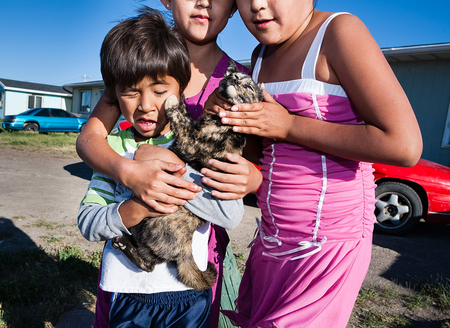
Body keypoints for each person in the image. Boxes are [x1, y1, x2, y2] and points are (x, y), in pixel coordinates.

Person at [205, 0, 423, 327]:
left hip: (328, 245)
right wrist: (229, 115)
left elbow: (403, 145)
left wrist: (289, 126)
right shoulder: (259, 56)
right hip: (272, 239)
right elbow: (261, 152)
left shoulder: (338, 32)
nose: (258, 6)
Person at [76, 1, 262, 327]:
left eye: (160, 90)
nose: (147, 104)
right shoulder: (134, 58)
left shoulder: (239, 80)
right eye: (132, 93)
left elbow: (249, 165)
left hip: (198, 264)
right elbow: (89, 139)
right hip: (126, 287)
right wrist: (128, 169)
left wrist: (252, 177)